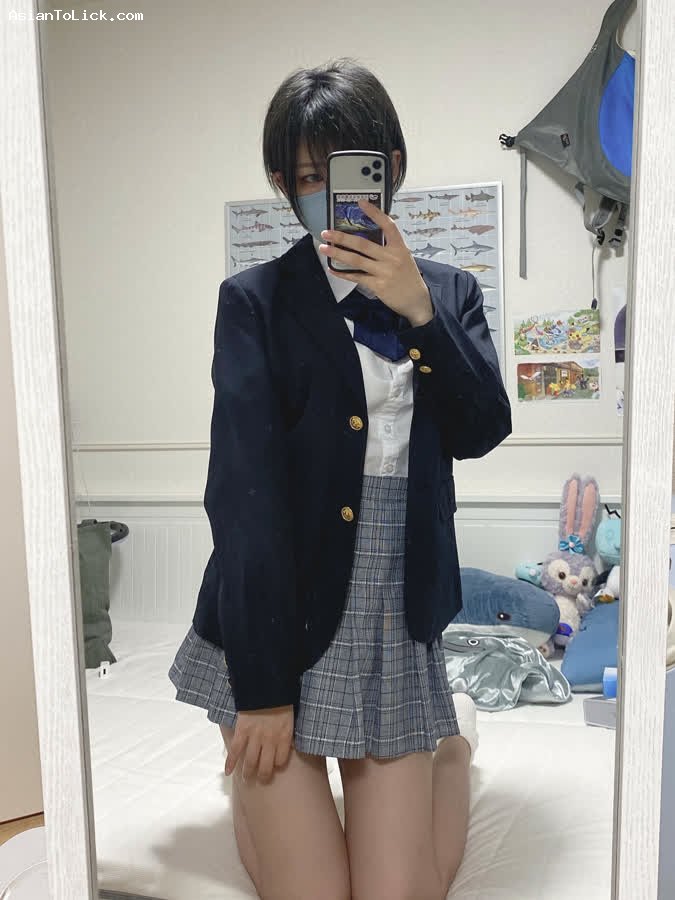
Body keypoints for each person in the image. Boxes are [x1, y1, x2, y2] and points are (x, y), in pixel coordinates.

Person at [169, 57, 511, 900]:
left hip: (394, 603)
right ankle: (251, 775)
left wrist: (418, 311)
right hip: (277, 609)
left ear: (390, 168)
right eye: (308, 177)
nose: (331, 194)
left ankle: (452, 750)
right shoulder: (254, 300)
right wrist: (261, 695)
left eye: (351, 170)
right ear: (282, 185)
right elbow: (243, 502)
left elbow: (480, 430)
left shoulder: (449, 292)